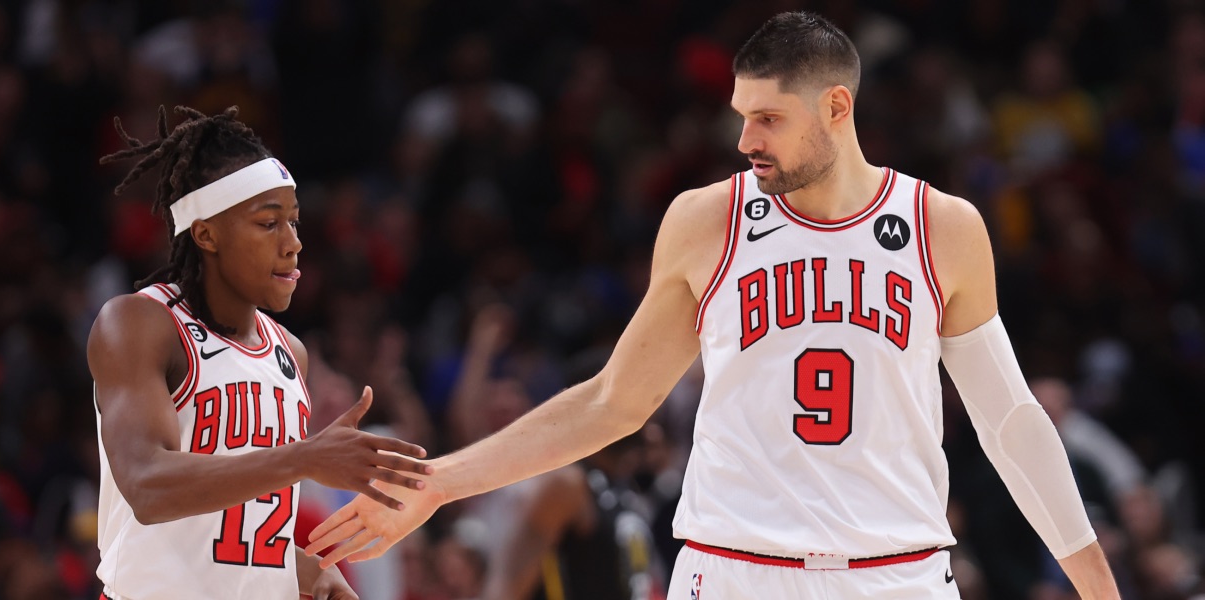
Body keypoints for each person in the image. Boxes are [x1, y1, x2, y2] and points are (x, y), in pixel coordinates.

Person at [307, 12, 1122, 599]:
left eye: (767, 118)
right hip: (735, 569)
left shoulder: (941, 227)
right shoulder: (708, 221)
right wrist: (443, 482)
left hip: (897, 574)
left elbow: (1010, 419)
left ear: (836, 107)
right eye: (742, 116)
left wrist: (1095, 582)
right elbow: (612, 401)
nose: (745, 140)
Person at [88, 106, 431, 600]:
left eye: (294, 222)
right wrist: (303, 459)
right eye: (269, 224)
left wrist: (304, 570)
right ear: (206, 233)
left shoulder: (291, 353)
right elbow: (147, 484)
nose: (293, 244)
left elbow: (230, 523)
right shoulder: (141, 323)